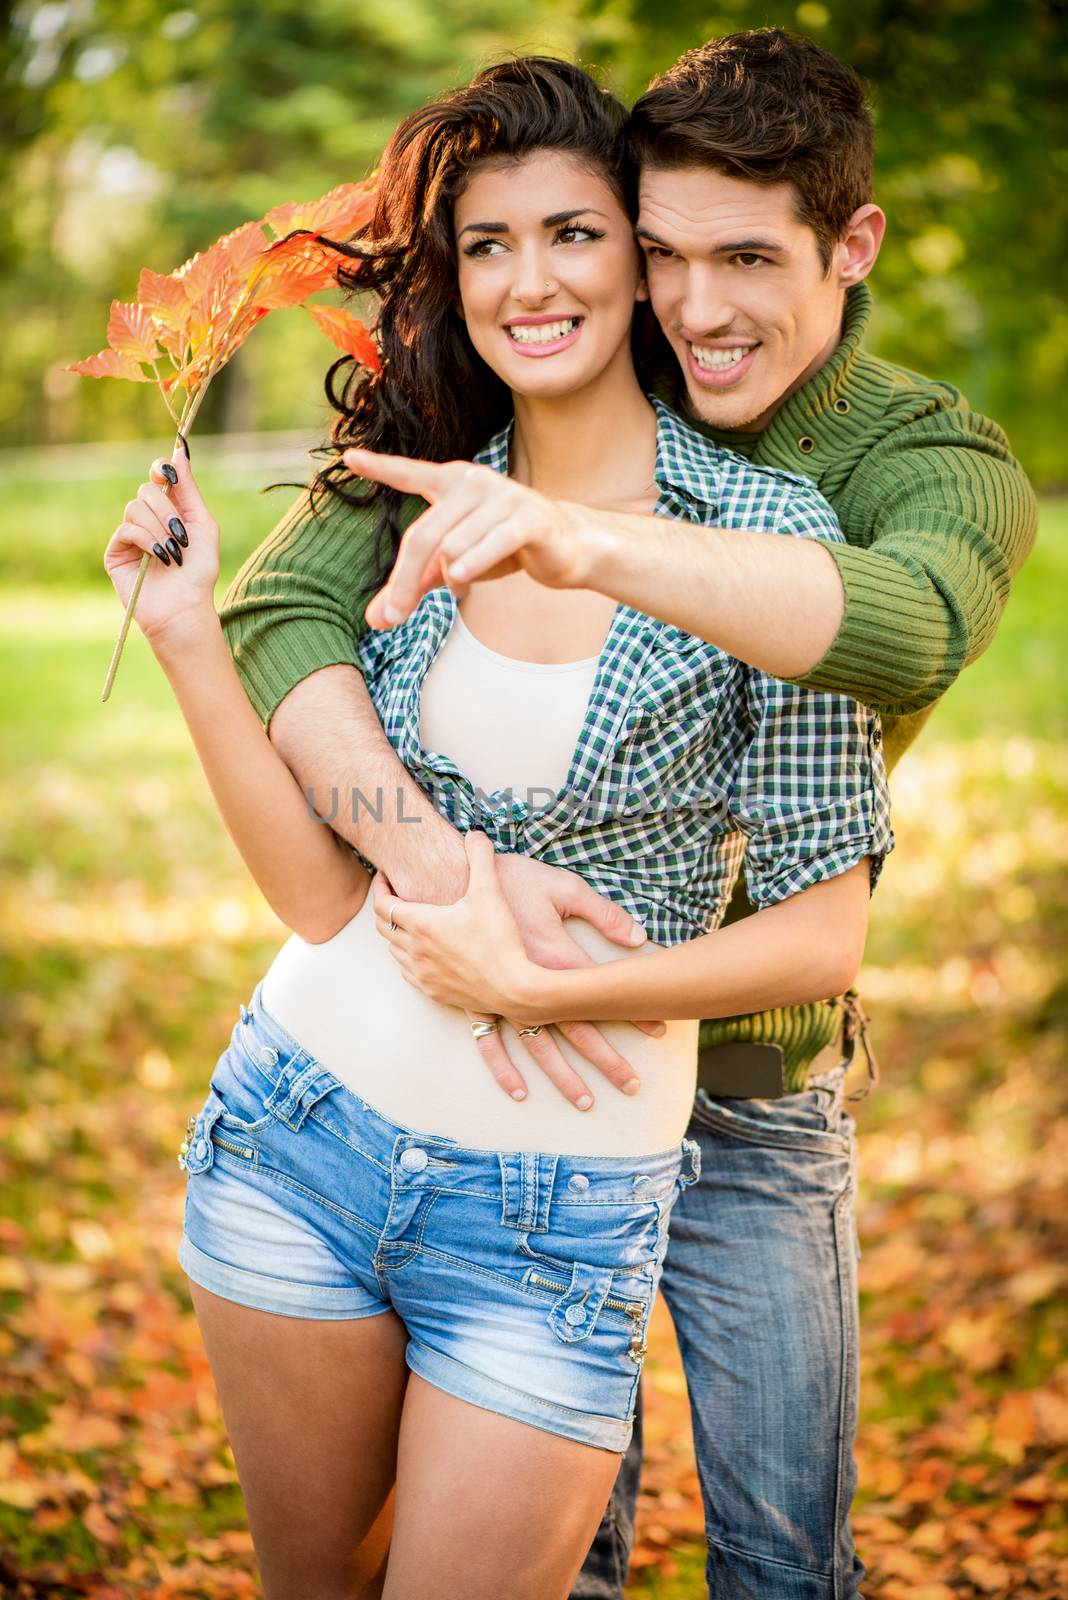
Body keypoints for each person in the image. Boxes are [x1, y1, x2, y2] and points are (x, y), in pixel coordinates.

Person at [223, 32, 1037, 1600]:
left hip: (749, 1064)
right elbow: (282, 615)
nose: (699, 307)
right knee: (553, 1553)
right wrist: (445, 869)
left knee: (784, 1555)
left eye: (747, 257)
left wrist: (585, 544)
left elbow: (907, 626)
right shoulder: (596, 353)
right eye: (661, 252)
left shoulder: (924, 460)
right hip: (524, 1077)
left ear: (850, 246)